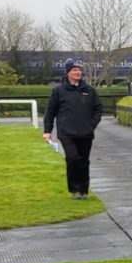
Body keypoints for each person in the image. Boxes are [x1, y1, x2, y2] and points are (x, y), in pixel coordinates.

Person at [42, 59, 103, 200]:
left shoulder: (89, 90)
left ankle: (84, 190)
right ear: (68, 73)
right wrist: (47, 131)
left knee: (84, 161)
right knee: (72, 158)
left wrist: (91, 124)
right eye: (75, 70)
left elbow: (98, 109)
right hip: (66, 132)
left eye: (79, 70)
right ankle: (74, 189)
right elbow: (50, 112)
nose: (78, 72)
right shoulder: (59, 91)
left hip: (86, 132)